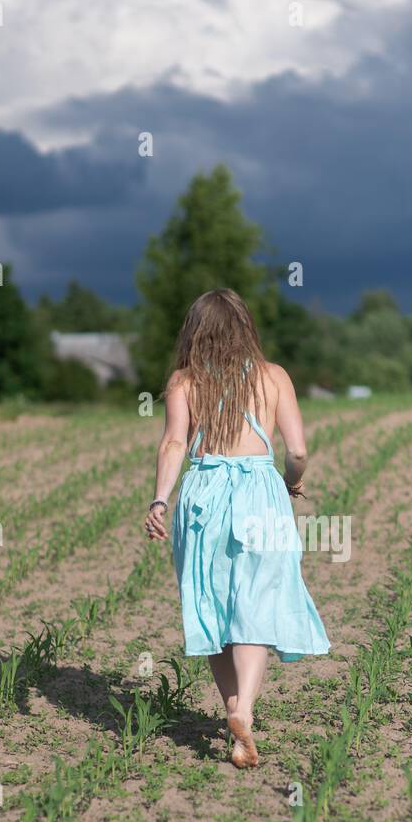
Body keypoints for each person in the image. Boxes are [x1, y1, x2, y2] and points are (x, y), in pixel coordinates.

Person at [144, 288, 329, 768]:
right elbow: (299, 451)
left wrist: (160, 500)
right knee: (257, 602)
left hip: (204, 492)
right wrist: (292, 482)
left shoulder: (184, 381)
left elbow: (172, 444)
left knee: (209, 604)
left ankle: (232, 710)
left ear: (195, 332)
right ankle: (243, 709)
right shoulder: (274, 378)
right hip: (259, 493)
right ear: (245, 327)